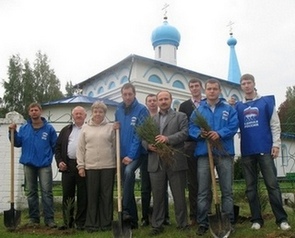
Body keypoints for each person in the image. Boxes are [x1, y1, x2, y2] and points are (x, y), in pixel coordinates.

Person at [235, 73, 291, 231]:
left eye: (249, 82)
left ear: (254, 84)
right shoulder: (238, 106)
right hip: (247, 152)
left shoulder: (266, 102)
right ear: (241, 86)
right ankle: (256, 219)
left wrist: (276, 144)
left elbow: (275, 124)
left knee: (272, 185)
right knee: (251, 187)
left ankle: (281, 219)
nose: (246, 85)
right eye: (243, 83)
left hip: (265, 150)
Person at [189, 79, 238, 236]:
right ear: (205, 90)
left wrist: (219, 133)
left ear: (219, 90)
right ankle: (203, 222)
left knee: (227, 190)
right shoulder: (198, 110)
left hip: (224, 153)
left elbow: (233, 126)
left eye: (214, 89)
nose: (211, 91)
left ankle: (228, 220)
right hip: (204, 153)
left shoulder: (228, 109)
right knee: (203, 190)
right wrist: (199, 133)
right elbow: (191, 127)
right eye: (209, 89)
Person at [146, 90, 189, 236]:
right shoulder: (151, 120)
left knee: (178, 194)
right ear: (157, 102)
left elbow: (184, 133)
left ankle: (183, 223)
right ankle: (157, 224)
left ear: (171, 100)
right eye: (161, 99)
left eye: (166, 99)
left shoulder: (180, 116)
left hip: (175, 159)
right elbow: (144, 138)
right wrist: (148, 146)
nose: (163, 101)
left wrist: (168, 139)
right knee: (157, 195)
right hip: (156, 161)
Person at [8, 102, 57, 228]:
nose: (34, 112)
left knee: (47, 192)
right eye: (31, 110)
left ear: (40, 111)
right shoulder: (24, 128)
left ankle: (49, 219)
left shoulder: (49, 129)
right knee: (31, 192)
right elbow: (17, 142)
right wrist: (11, 132)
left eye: (36, 110)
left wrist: (52, 158)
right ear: (29, 113)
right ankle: (34, 219)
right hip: (29, 163)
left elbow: (55, 146)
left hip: (44, 164)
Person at [76, 101, 116, 233]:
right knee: (92, 196)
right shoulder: (85, 128)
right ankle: (91, 224)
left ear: (104, 113)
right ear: (92, 113)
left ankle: (106, 223)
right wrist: (81, 166)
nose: (98, 114)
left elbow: (116, 146)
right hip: (90, 167)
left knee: (106, 196)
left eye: (101, 111)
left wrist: (117, 163)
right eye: (95, 111)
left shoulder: (111, 127)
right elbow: (80, 148)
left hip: (108, 166)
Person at [115, 83, 150, 229]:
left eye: (130, 94)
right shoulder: (118, 110)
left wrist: (131, 155)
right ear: (122, 95)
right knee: (126, 183)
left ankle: (124, 209)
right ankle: (133, 220)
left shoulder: (142, 110)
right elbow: (119, 132)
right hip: (122, 153)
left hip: (138, 153)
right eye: (125, 94)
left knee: (129, 173)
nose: (128, 97)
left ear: (134, 94)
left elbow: (139, 134)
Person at [140, 94, 170, 227]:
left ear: (157, 103)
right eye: (149, 101)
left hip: (161, 156)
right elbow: (141, 137)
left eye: (154, 101)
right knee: (145, 187)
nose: (152, 103)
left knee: (161, 188)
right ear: (146, 103)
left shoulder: (162, 117)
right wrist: (148, 146)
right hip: (147, 156)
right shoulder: (144, 119)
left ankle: (165, 216)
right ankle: (146, 216)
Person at [55, 106, 87, 230]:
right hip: (68, 165)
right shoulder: (66, 130)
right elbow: (57, 148)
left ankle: (81, 223)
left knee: (83, 195)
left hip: (83, 165)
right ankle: (68, 221)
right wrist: (60, 162)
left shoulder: (88, 129)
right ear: (72, 116)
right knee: (68, 194)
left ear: (85, 116)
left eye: (81, 113)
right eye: (76, 114)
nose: (78, 116)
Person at [178, 78, 203, 226]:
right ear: (189, 89)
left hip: (206, 145)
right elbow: (183, 127)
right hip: (191, 145)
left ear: (201, 87)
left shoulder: (206, 104)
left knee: (205, 181)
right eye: (192, 86)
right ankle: (194, 214)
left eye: (196, 86)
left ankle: (206, 211)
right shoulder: (184, 106)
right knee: (193, 182)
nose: (194, 88)